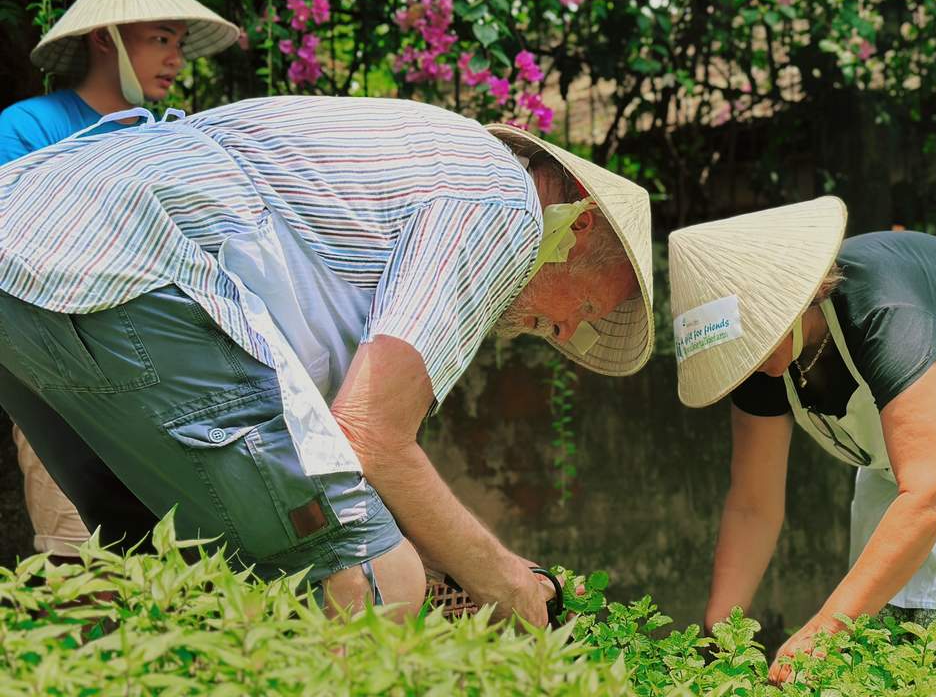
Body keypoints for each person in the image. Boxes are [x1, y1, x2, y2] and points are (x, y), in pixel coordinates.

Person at [0, 96, 654, 624]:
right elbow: (370, 436)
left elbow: (341, 452)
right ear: (581, 225)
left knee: (163, 574)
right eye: (590, 308)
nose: (565, 329)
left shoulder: (431, 159)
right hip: (128, 262)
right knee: (375, 579)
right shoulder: (501, 201)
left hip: (28, 254)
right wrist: (506, 580)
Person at [668, 197, 936, 678]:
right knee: (887, 631)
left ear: (789, 300)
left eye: (749, 343)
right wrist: (719, 634)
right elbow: (753, 503)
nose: (741, 363)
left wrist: (820, 632)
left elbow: (931, 491)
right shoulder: (757, 362)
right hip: (923, 458)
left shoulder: (885, 309)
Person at [0, 0, 239, 560]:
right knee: (80, 566)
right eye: (160, 39)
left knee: (186, 566)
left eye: (179, 43)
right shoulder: (29, 126)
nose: (176, 59)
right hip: (64, 380)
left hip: (175, 383)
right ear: (105, 40)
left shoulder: (175, 138)